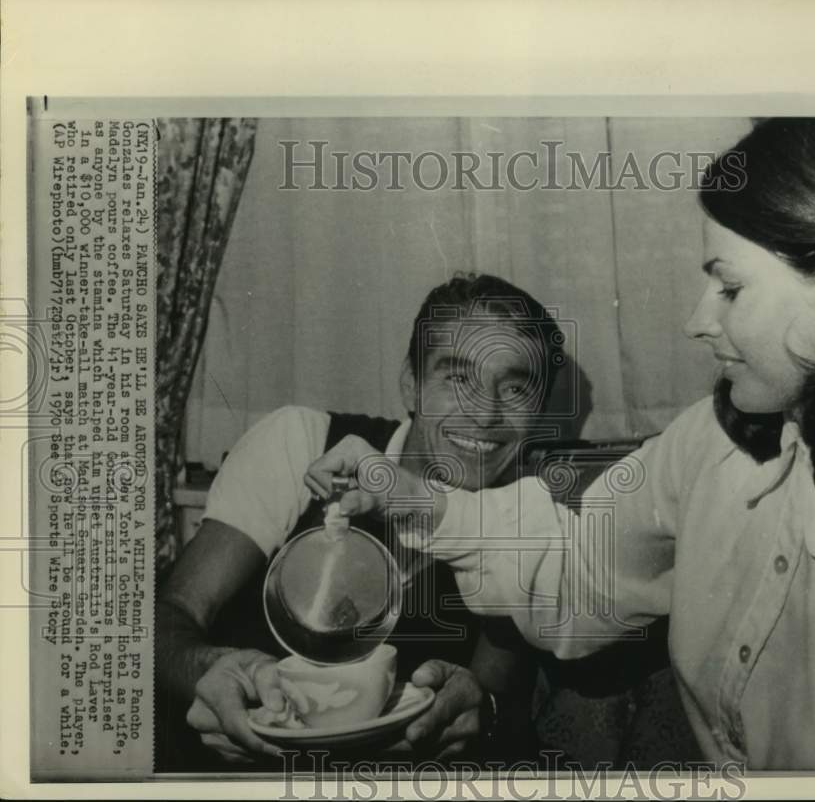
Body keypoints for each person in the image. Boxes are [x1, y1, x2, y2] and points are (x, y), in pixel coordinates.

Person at [309, 118, 815, 770]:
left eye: (730, 288)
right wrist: (407, 494)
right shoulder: (708, 445)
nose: (697, 321)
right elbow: (574, 570)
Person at [154, 272, 564, 767]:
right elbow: (171, 613)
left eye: (516, 389)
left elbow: (497, 700)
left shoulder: (526, 526)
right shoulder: (302, 441)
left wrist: (481, 714)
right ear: (411, 384)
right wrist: (207, 668)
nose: (485, 413)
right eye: (458, 378)